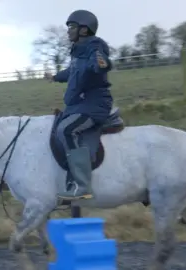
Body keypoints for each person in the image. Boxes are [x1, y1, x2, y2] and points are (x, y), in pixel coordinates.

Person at [46, 10, 114, 200]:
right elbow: (72, 71)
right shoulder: (78, 51)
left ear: (84, 30)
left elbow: (100, 62)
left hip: (95, 104)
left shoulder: (95, 46)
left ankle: (82, 185)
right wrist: (55, 77)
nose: (68, 31)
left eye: (72, 27)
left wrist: (102, 63)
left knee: (66, 130)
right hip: (80, 104)